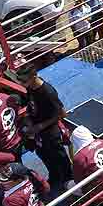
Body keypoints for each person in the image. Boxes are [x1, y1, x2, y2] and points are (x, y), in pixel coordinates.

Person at [13, 64, 73, 196]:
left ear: (34, 76)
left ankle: (68, 179)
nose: (22, 83)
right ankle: (55, 176)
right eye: (20, 80)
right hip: (36, 130)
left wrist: (41, 126)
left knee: (59, 156)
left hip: (50, 131)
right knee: (43, 154)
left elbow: (61, 113)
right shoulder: (30, 88)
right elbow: (31, 105)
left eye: (24, 80)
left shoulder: (48, 92)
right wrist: (29, 119)